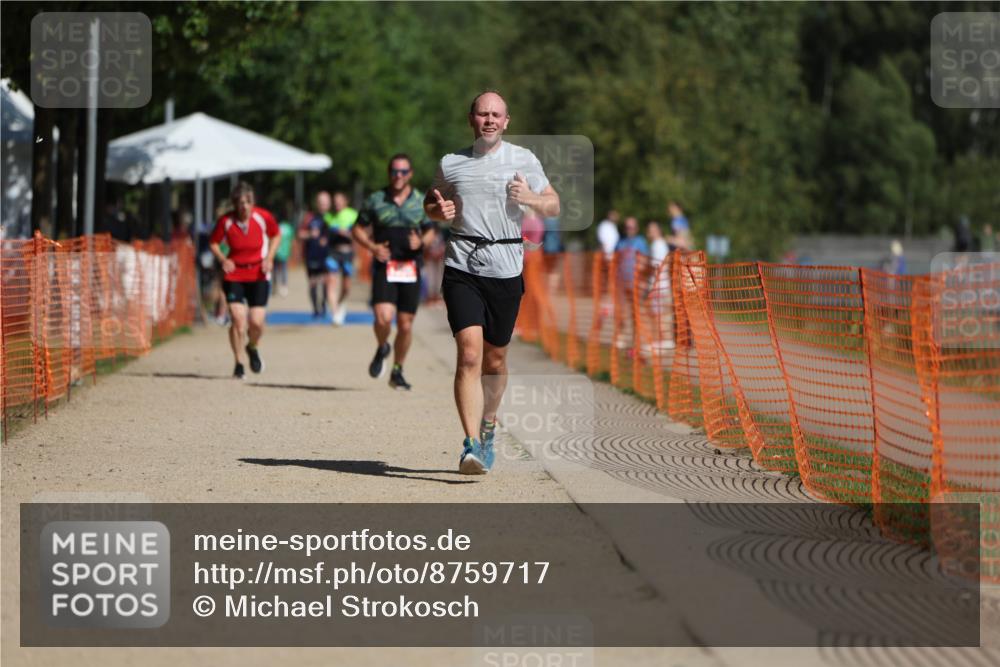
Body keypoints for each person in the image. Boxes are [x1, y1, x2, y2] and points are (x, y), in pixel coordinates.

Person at [424, 90, 560, 475]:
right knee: (469, 354)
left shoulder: (524, 160)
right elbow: (431, 204)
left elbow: (554, 204)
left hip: (505, 268)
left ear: (506, 121)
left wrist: (532, 197)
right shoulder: (452, 164)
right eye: (482, 114)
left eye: (495, 115)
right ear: (471, 119)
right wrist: (439, 210)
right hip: (462, 265)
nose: (489, 120)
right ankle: (470, 446)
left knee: (495, 359)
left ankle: (489, 424)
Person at [353, 154, 436, 390]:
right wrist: (372, 247)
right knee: (382, 318)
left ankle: (397, 370)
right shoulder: (376, 200)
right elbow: (357, 229)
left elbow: (431, 232)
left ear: (410, 174)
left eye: (403, 172)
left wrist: (420, 243)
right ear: (389, 173)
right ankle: (382, 347)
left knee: (406, 324)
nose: (398, 176)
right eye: (394, 172)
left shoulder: (420, 200)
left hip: (410, 267)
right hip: (384, 265)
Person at [208, 182, 280, 379]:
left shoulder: (263, 217)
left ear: (253, 202)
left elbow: (276, 235)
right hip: (235, 274)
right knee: (238, 320)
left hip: (258, 273)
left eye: (248, 202)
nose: (245, 206)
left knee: (256, 322)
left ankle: (252, 346)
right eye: (240, 203)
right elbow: (213, 242)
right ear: (234, 204)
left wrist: (270, 258)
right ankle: (238, 362)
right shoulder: (226, 221)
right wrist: (223, 259)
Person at [614, 216, 649, 349]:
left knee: (636, 312)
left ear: (637, 228)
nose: (630, 230)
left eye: (633, 227)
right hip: (622, 282)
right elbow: (615, 261)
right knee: (621, 312)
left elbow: (645, 261)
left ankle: (637, 340)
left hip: (636, 282)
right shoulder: (620, 243)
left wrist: (643, 279)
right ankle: (622, 337)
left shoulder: (641, 242)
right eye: (628, 227)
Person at [324, 191, 358, 325]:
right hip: (332, 252)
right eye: (335, 200)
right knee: (331, 283)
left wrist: (345, 233)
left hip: (347, 254)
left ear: (345, 201)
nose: (336, 203)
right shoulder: (329, 216)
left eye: (339, 200)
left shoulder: (352, 215)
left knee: (346, 287)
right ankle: (335, 313)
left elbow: (358, 235)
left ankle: (340, 304)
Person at [299, 192, 332, 318]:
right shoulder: (309, 217)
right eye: (321, 203)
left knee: (325, 282)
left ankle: (324, 306)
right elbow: (300, 234)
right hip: (311, 256)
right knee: (313, 283)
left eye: (325, 203)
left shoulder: (331, 218)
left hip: (327, 257)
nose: (323, 205)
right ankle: (315, 309)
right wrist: (310, 234)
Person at [273, 211, 295, 297]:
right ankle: (284, 287)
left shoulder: (276, 227)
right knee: (283, 270)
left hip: (276, 251)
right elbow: (292, 241)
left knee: (275, 270)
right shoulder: (288, 227)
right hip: (285, 252)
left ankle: (275, 286)